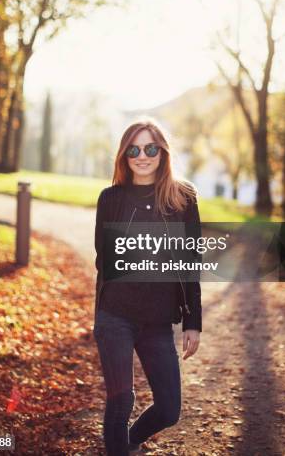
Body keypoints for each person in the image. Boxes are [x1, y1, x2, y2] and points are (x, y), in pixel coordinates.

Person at [93, 119, 202, 456]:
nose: (142, 156)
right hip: (115, 316)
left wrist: (193, 321)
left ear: (162, 153)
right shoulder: (110, 198)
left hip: (157, 322)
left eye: (150, 148)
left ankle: (127, 442)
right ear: (124, 156)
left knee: (169, 409)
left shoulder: (183, 198)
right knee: (121, 398)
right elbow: (105, 260)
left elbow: (190, 262)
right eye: (134, 150)